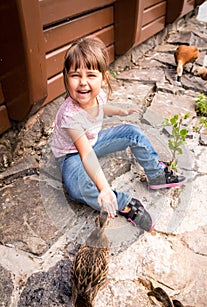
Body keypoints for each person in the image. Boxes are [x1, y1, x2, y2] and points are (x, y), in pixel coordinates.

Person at [51, 36, 186, 233]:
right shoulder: (70, 116)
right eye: (75, 75)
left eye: (90, 75)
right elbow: (86, 154)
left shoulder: (98, 95)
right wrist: (104, 188)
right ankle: (125, 203)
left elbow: (102, 107)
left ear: (103, 78)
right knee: (76, 187)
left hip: (94, 141)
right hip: (70, 155)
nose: (82, 83)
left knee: (133, 132)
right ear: (65, 78)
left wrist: (119, 111)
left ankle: (156, 173)